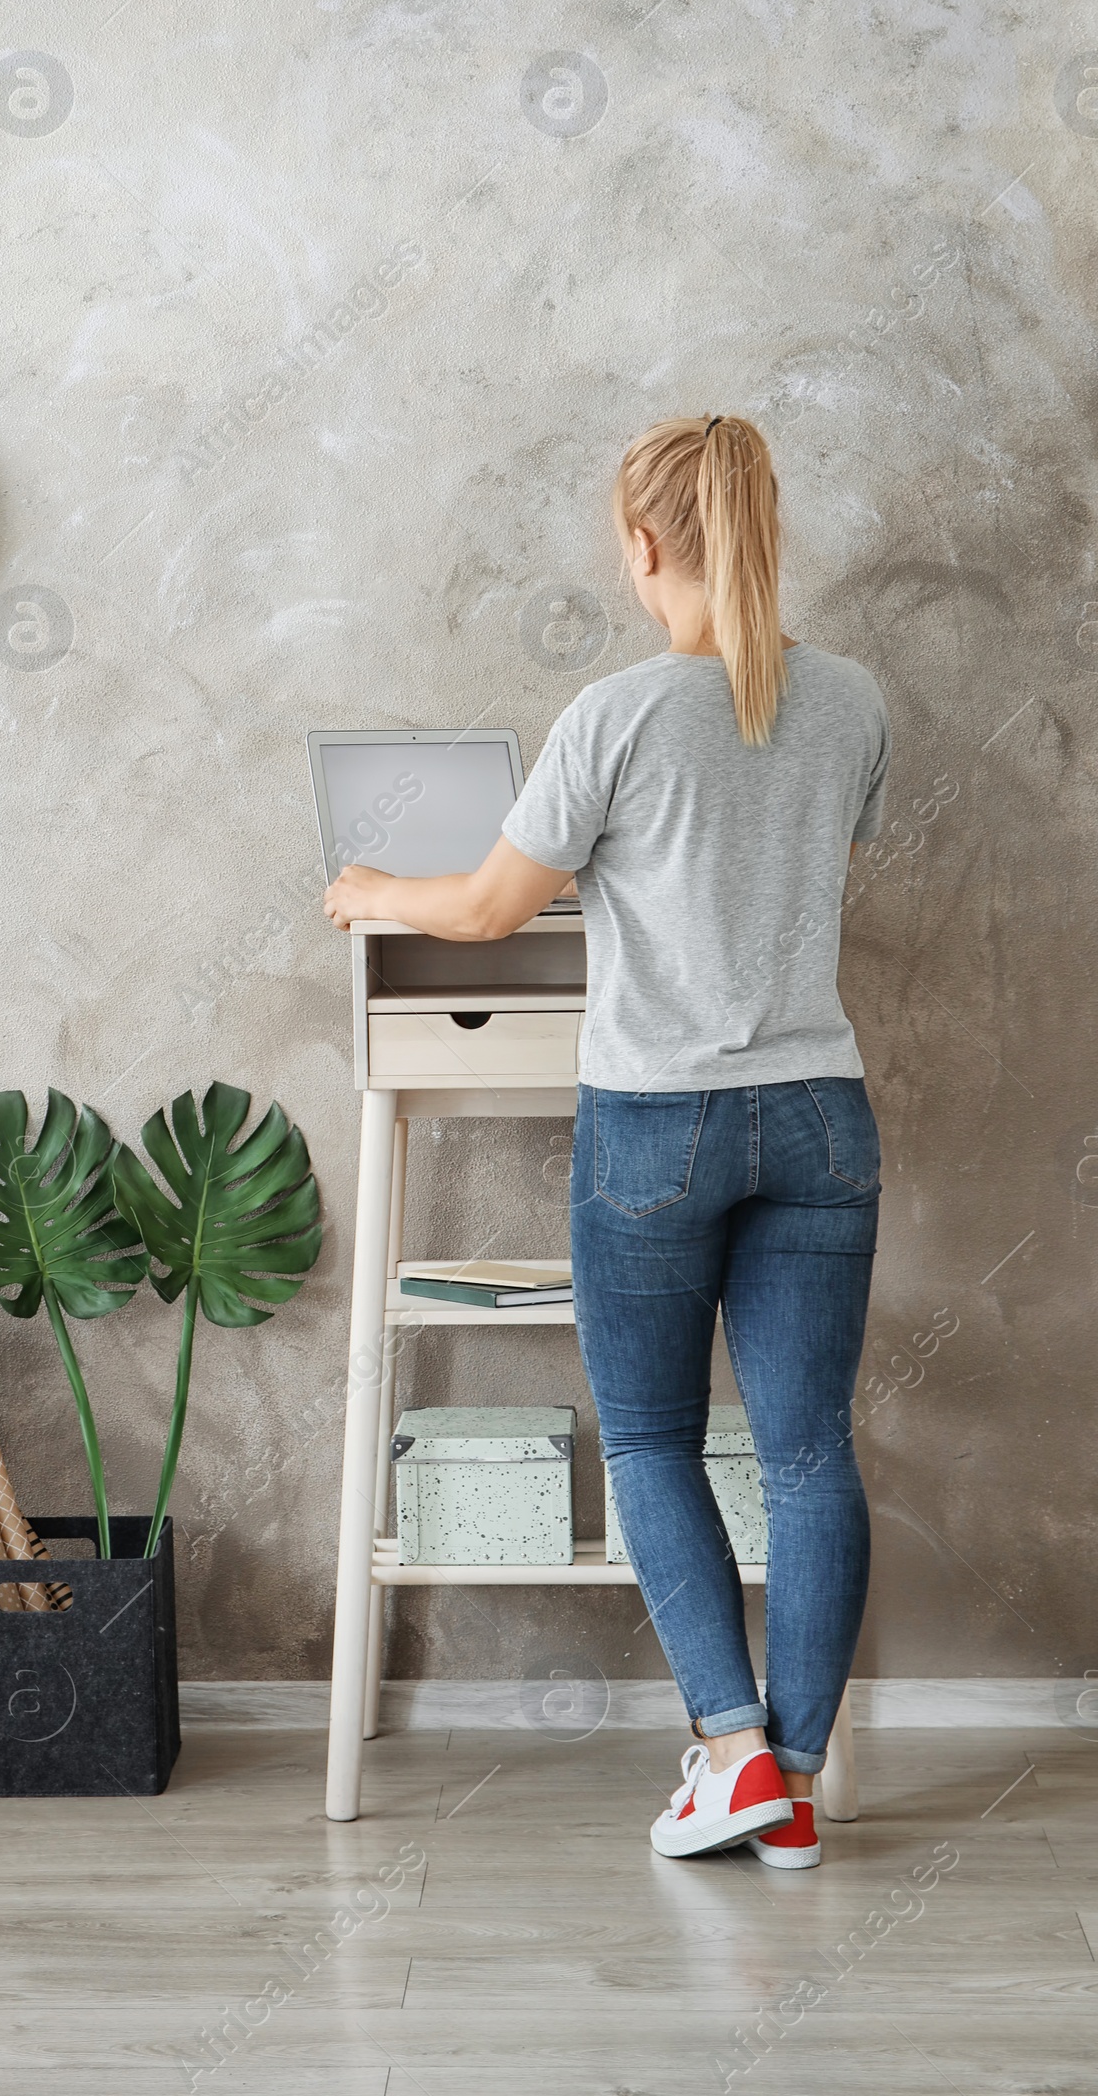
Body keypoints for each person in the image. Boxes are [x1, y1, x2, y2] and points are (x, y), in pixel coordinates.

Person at [323, 414, 889, 1868]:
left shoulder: (617, 715)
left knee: (648, 1437)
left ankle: (731, 1750)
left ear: (644, 547)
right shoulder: (856, 705)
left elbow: (494, 911)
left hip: (658, 1124)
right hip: (821, 1113)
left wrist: (376, 885)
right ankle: (799, 1781)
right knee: (812, 1453)